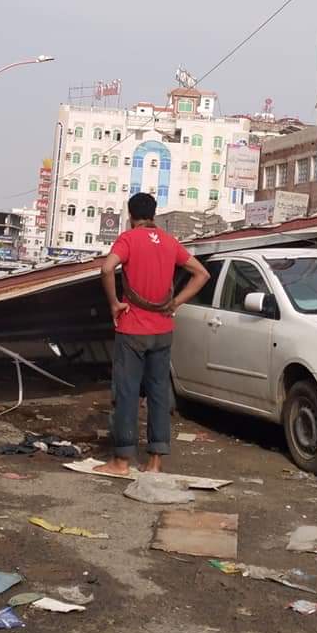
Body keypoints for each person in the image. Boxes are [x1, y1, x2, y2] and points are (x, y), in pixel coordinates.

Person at [94, 192, 209, 477]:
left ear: (131, 215)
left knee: (127, 392)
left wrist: (114, 304)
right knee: (158, 394)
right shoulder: (171, 243)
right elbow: (202, 274)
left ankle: (121, 461)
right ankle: (155, 462)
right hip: (163, 330)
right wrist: (176, 302)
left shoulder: (129, 239)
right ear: (154, 215)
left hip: (132, 328)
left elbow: (107, 268)